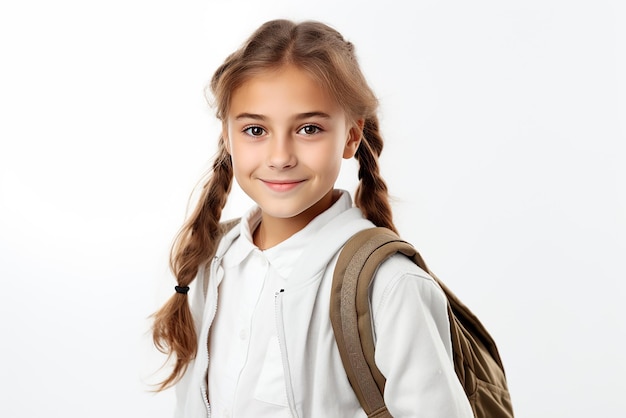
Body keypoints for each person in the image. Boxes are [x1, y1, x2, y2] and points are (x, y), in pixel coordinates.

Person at [152, 19, 474, 418]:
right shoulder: (211, 262)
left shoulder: (390, 287)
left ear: (351, 136)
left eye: (308, 128)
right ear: (228, 136)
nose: (280, 156)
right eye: (255, 129)